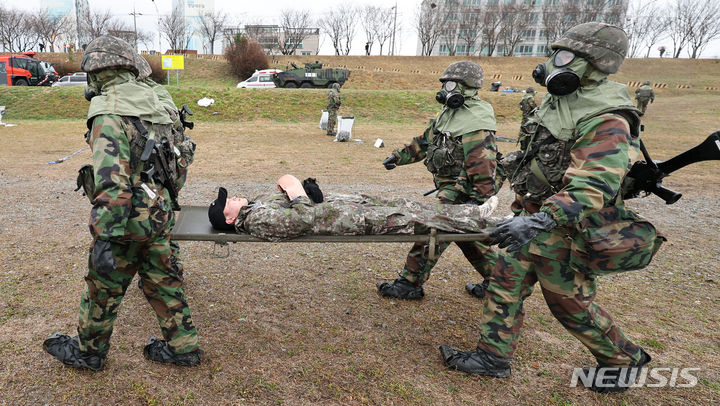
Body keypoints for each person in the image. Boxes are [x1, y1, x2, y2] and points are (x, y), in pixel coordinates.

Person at [438, 22, 663, 393]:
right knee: (505, 282)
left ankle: (624, 360)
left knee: (569, 304)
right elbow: (541, 156)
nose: (550, 64)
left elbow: (594, 183)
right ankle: (492, 357)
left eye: (562, 56)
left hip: (565, 229)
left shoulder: (607, 115)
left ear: (593, 64)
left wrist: (543, 218)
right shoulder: (563, 101)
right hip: (534, 217)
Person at [42, 36, 202, 371]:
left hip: (126, 222)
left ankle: (89, 352)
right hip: (159, 213)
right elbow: (181, 159)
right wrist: (165, 202)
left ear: (100, 73)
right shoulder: (160, 102)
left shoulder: (109, 113)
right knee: (163, 280)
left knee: (103, 288)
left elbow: (112, 182)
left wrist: (106, 237)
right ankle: (184, 348)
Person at [378, 61, 498, 300]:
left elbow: (483, 165)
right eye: (444, 83)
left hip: (462, 189)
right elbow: (425, 142)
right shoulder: (449, 114)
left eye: (451, 83)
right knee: (469, 239)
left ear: (467, 87)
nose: (446, 88)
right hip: (450, 186)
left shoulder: (476, 120)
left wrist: (475, 200)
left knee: (434, 231)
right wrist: (398, 157)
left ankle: (409, 282)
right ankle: (500, 284)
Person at [207, 175, 499, 241]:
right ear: (231, 220)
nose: (231, 198)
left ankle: (474, 212)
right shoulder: (256, 220)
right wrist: (296, 192)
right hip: (355, 219)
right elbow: (302, 220)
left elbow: (305, 205)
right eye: (227, 204)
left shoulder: (257, 204)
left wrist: (309, 192)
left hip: (351, 204)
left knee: (411, 205)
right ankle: (492, 226)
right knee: (420, 220)